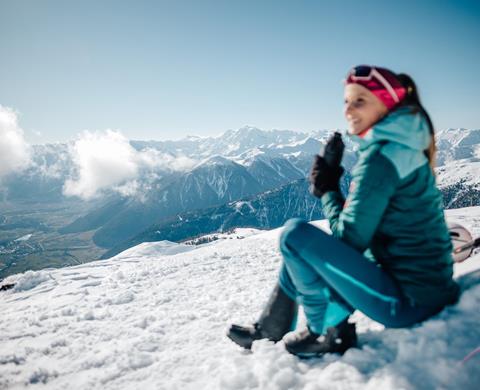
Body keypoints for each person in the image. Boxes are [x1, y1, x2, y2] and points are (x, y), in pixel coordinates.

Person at [227, 65, 460, 358]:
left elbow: (349, 240)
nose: (348, 109)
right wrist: (331, 187)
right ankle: (272, 328)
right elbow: (362, 236)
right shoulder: (401, 147)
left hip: (409, 302)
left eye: (360, 101)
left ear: (387, 105)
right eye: (346, 101)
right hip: (426, 290)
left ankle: (326, 332)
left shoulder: (381, 158)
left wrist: (328, 190)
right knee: (304, 247)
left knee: (294, 236)